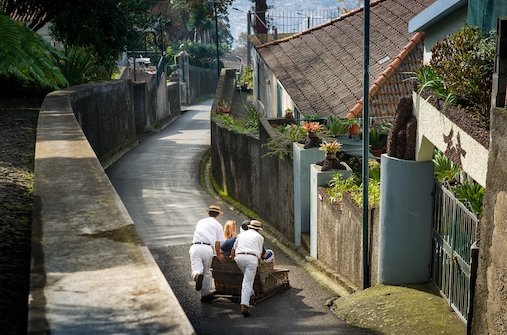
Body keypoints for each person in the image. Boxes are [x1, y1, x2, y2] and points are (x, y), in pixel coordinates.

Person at [189, 205, 226, 302]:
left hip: (196, 246)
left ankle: (196, 275)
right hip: (208, 248)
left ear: (208, 213)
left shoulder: (200, 222)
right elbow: (217, 243)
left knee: (196, 267)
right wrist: (218, 254)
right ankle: (204, 294)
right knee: (206, 272)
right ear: (218, 215)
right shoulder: (218, 225)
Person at [231, 220, 264, 316]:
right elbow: (260, 253)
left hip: (239, 257)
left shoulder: (241, 235)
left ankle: (251, 293)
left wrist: (233, 257)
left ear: (249, 227)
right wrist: (260, 260)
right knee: (247, 282)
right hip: (251, 258)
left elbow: (233, 249)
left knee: (247, 278)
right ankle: (245, 304)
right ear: (258, 230)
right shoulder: (260, 237)